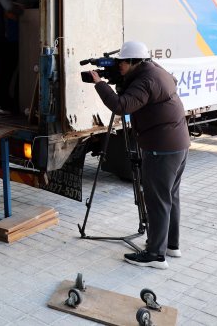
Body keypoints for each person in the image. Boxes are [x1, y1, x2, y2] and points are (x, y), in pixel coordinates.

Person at [89, 41, 189, 270]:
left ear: (133, 62)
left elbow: (121, 105)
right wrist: (123, 81)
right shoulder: (155, 70)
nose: (119, 66)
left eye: (122, 63)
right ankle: (171, 245)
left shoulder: (145, 81)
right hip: (178, 143)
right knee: (170, 197)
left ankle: (155, 255)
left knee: (157, 201)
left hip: (161, 148)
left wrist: (100, 84)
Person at [0, 0, 41, 111]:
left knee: (7, 71)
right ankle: (18, 100)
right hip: (24, 37)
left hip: (5, 38)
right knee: (22, 70)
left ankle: (6, 101)